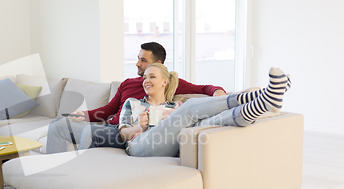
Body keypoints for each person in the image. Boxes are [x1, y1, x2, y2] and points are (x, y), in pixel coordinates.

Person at [46, 42, 226, 154]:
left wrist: (218, 91)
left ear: (158, 65)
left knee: (88, 132)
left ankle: (74, 173)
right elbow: (108, 110)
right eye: (138, 58)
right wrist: (83, 115)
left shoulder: (168, 81)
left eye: (143, 60)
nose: (137, 63)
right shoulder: (127, 83)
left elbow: (203, 88)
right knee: (57, 125)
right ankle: (51, 176)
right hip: (110, 126)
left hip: (122, 133)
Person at [119, 63, 291, 157]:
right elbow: (122, 134)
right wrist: (141, 127)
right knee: (189, 108)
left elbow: (206, 89)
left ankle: (263, 103)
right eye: (144, 78)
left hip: (173, 146)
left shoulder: (175, 107)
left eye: (152, 76)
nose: (145, 81)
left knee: (212, 122)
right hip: (140, 145)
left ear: (165, 82)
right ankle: (261, 95)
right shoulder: (132, 103)